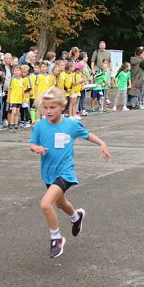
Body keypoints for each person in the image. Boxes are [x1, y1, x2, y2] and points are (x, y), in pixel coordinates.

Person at [29, 86, 112, 258]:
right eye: (46, 108)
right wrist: (36, 148)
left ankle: (56, 238)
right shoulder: (39, 126)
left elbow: (87, 134)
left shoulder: (71, 125)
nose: (49, 111)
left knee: (45, 204)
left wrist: (102, 144)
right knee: (60, 204)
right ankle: (76, 217)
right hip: (48, 173)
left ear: (62, 107)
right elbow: (32, 144)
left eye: (53, 107)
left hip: (65, 173)